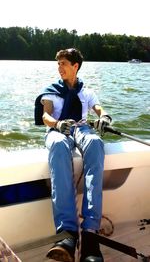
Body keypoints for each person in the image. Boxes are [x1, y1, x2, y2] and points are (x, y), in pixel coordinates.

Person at [34, 48, 112, 262]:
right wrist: (58, 124)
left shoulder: (86, 91)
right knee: (59, 146)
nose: (59, 68)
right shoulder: (51, 90)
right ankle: (67, 234)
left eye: (63, 64)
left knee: (96, 142)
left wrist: (104, 117)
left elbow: (98, 108)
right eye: (58, 64)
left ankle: (89, 234)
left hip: (82, 128)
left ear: (75, 66)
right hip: (58, 130)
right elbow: (46, 116)